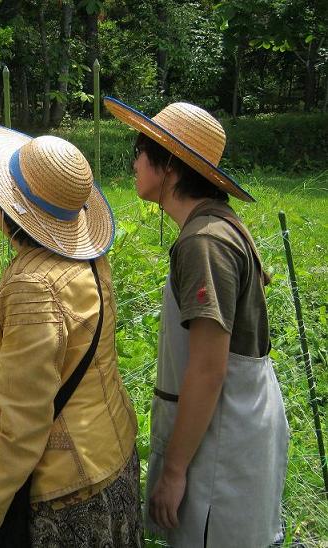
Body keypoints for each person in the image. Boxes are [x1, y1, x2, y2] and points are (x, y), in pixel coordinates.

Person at [0, 127, 141, 548]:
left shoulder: (32, 287)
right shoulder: (87, 256)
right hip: (114, 454)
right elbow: (22, 223)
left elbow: (25, 422)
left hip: (69, 493)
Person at [104, 97, 289, 547]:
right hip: (228, 428)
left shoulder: (203, 243)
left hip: (220, 441)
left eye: (139, 152)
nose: (133, 164)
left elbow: (209, 369)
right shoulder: (216, 225)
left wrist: (173, 471)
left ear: (168, 166)